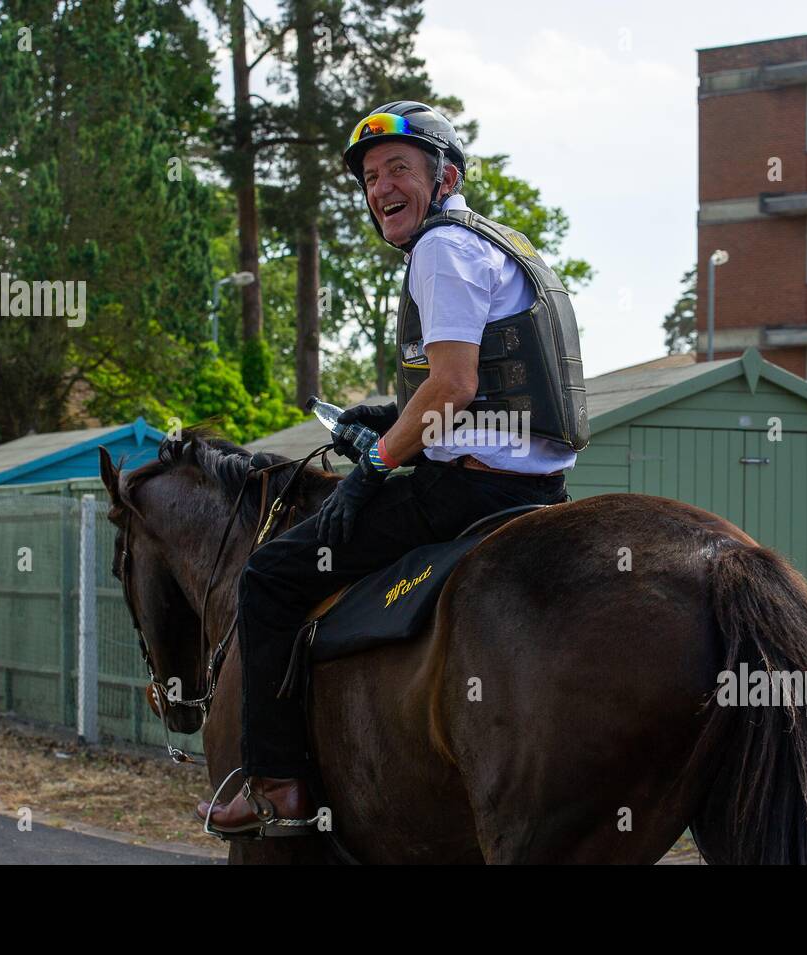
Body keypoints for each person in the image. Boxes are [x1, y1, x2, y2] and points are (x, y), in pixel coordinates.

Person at [198, 101, 589, 836]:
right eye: (372, 177)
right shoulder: (500, 241)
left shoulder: (441, 250)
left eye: (398, 170)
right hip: (538, 484)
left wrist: (373, 466)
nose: (381, 188)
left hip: (467, 492)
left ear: (445, 177)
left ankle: (277, 784)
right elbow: (471, 385)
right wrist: (387, 415)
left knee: (270, 577)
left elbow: (452, 386)